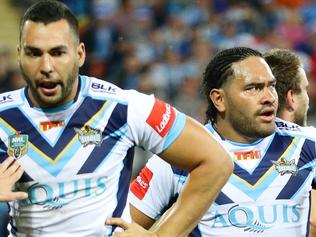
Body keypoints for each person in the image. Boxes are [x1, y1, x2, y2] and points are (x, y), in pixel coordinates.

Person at [0, 1, 233, 236]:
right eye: (34, 53)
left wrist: (162, 235)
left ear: (80, 54)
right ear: (20, 55)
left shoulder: (123, 107)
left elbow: (216, 160)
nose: (46, 66)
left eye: (58, 53)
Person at [129, 46, 316, 236]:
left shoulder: (307, 146)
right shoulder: (180, 157)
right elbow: (119, 224)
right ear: (219, 99)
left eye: (272, 86)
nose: (269, 98)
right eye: (253, 88)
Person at [263, 48, 316, 237]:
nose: (308, 100)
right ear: (291, 98)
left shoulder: (222, 141)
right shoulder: (310, 142)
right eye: (305, 90)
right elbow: (313, 222)